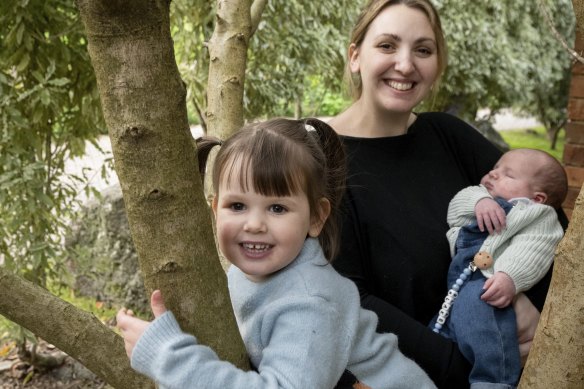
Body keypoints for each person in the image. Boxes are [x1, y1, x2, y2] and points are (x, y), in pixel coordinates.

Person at [327, 0, 569, 387]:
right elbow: (347, 297)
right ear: (355, 56)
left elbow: (550, 219)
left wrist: (529, 303)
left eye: (423, 50)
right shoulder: (321, 155)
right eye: (387, 46)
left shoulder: (447, 135)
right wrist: (464, 366)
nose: (405, 65)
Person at [116, 118, 436, 389]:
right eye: (237, 206)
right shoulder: (248, 272)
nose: (254, 224)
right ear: (215, 209)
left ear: (315, 218)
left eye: (278, 208)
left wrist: (167, 355)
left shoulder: (311, 303)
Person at [430, 148, 567, 388]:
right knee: (441, 327)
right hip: (458, 287)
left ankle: (494, 380)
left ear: (537, 198)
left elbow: (534, 247)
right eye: (495, 168)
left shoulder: (537, 216)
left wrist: (509, 277)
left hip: (490, 284)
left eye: (508, 175)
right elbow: (456, 209)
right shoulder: (479, 196)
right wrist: (480, 201)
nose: (493, 174)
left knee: (489, 336)